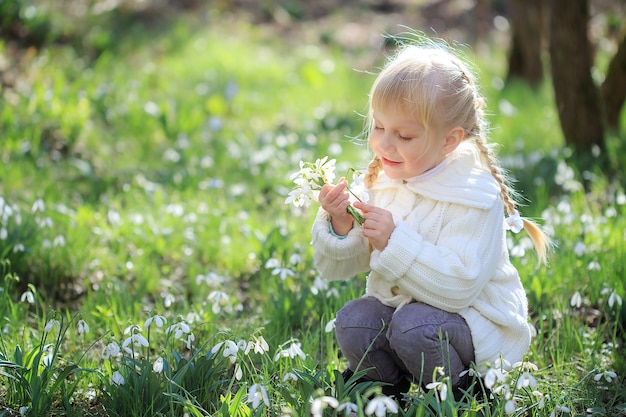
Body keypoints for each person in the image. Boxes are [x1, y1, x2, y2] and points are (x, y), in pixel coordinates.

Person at [311, 40, 551, 403]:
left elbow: (459, 288)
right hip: (408, 319)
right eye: (378, 127)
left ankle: (459, 393)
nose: (384, 145)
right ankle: (384, 391)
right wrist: (341, 222)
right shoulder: (383, 180)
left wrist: (394, 241)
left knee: (413, 327)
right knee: (353, 320)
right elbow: (337, 268)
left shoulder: (474, 195)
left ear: (449, 141)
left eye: (404, 135)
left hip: (467, 323)